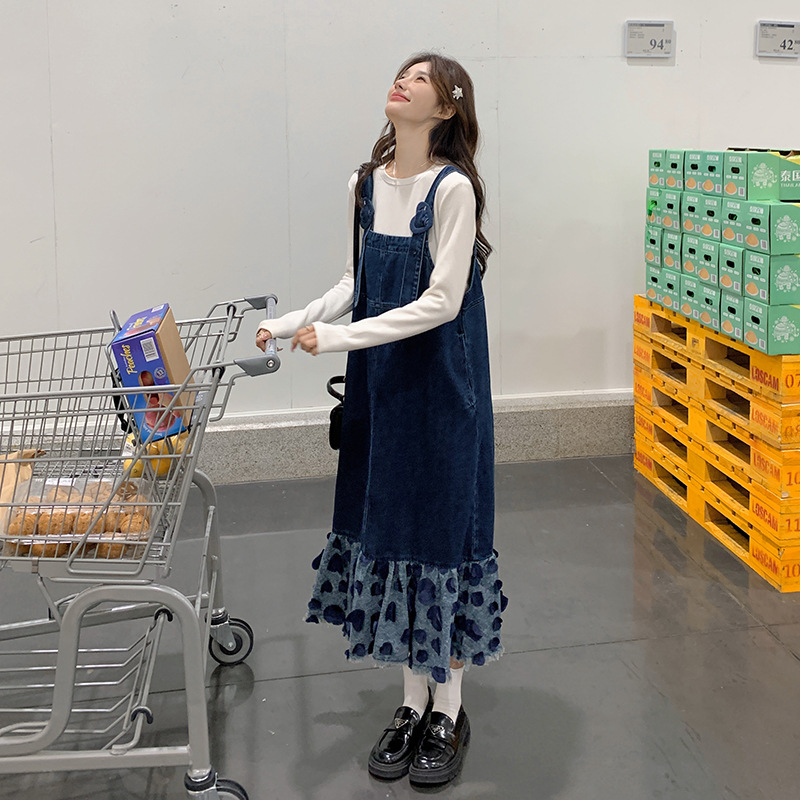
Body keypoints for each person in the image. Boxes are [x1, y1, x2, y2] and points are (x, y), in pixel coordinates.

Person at [255, 51, 507, 787]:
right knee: (392, 529)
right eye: (404, 72)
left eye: (422, 77)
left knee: (443, 535)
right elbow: (354, 280)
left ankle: (448, 709)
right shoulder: (364, 184)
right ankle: (410, 703)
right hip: (384, 384)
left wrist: (337, 339)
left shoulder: (453, 189)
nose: (405, 81)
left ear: (447, 107)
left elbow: (443, 303)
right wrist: (294, 321)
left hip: (444, 384)